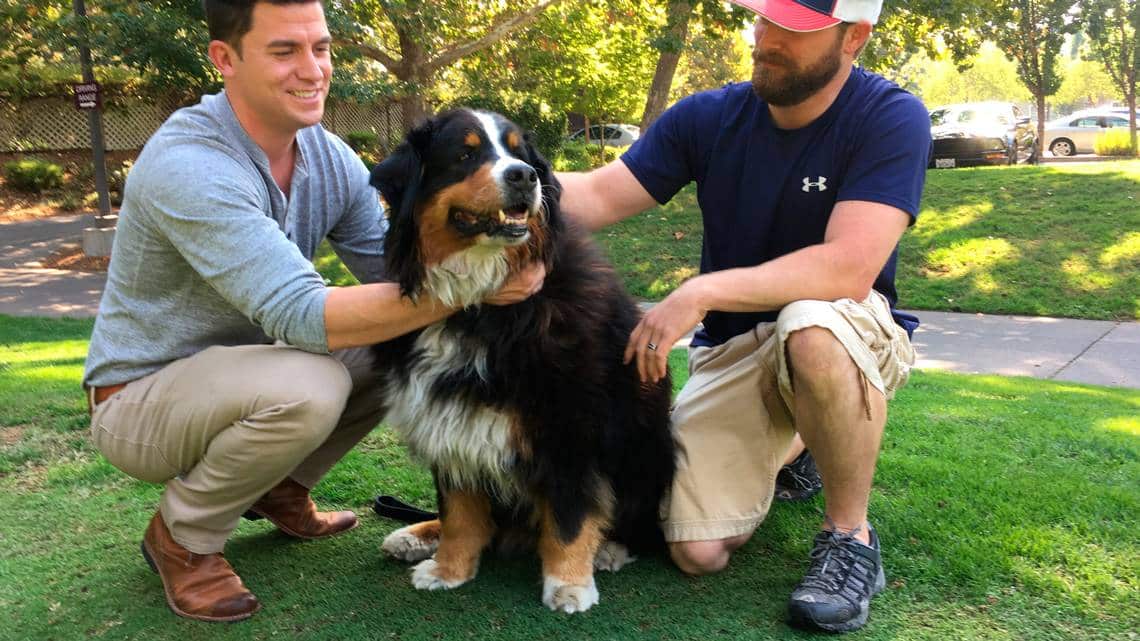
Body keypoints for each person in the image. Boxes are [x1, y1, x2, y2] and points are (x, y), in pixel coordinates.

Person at [82, 0, 544, 623]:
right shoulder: (189, 164)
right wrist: (472, 289)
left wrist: (502, 245)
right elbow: (301, 313)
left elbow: (391, 276)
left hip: (249, 371)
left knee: (404, 350)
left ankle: (279, 485)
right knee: (314, 382)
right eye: (284, 51)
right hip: (140, 401)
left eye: (321, 48)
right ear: (225, 59)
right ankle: (183, 539)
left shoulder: (327, 157)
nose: (313, 69)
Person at [558, 0, 929, 632]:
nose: (765, 37)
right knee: (693, 550)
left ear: (854, 39)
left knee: (810, 327)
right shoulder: (708, 117)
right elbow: (596, 193)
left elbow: (848, 268)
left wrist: (702, 291)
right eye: (764, 18)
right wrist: (498, 185)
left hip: (846, 329)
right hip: (734, 349)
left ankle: (849, 537)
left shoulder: (890, 116)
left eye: (795, 28)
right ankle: (803, 442)